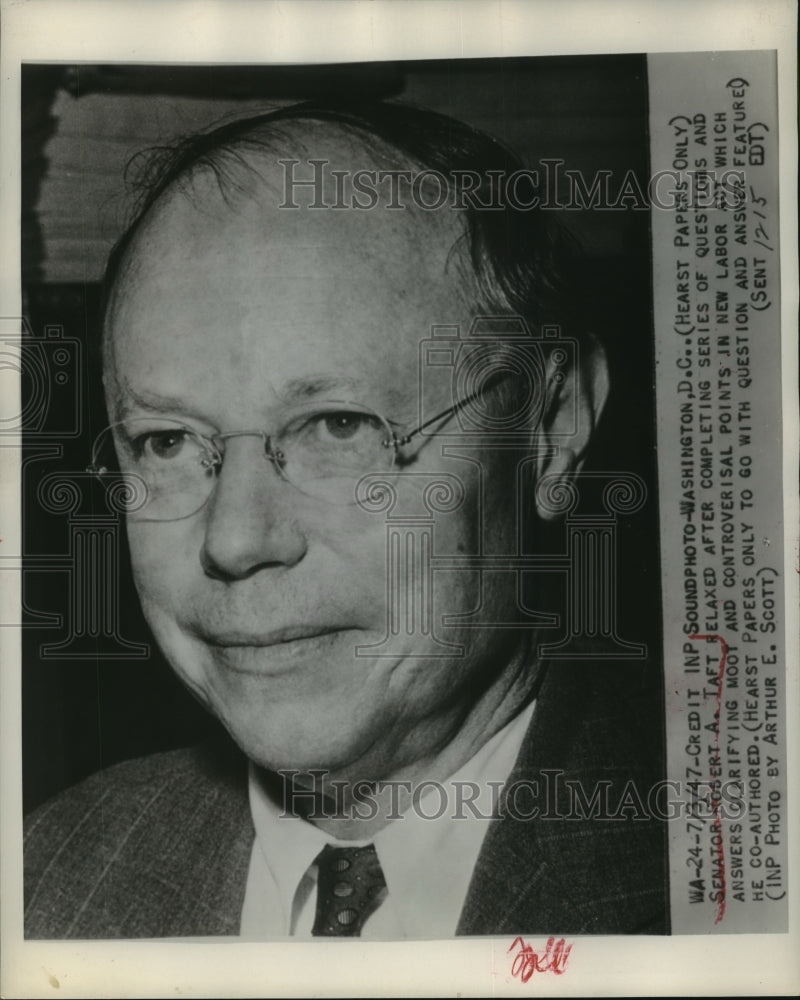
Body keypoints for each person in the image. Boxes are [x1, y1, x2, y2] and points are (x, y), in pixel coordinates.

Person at [24, 100, 668, 939]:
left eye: (339, 426)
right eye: (167, 441)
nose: (235, 539)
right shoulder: (48, 877)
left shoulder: (730, 878)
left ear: (553, 429)